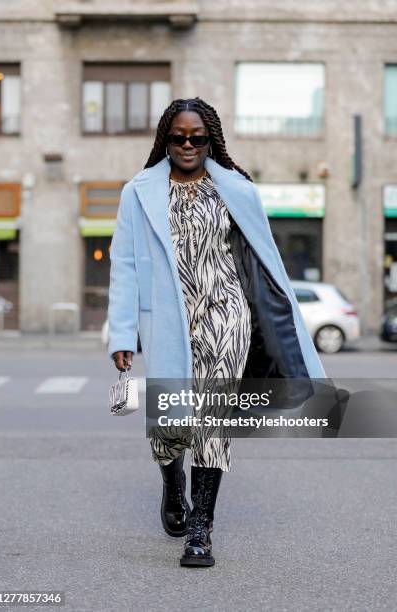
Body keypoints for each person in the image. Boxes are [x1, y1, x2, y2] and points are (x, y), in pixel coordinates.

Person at [107, 97, 326, 568]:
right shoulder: (139, 191)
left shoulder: (237, 189)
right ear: (165, 139)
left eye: (198, 138)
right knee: (169, 426)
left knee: (213, 422)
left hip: (226, 315)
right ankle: (171, 482)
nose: (188, 145)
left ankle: (201, 530)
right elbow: (123, 266)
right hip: (168, 320)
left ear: (212, 141)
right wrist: (122, 334)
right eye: (179, 137)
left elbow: (266, 261)